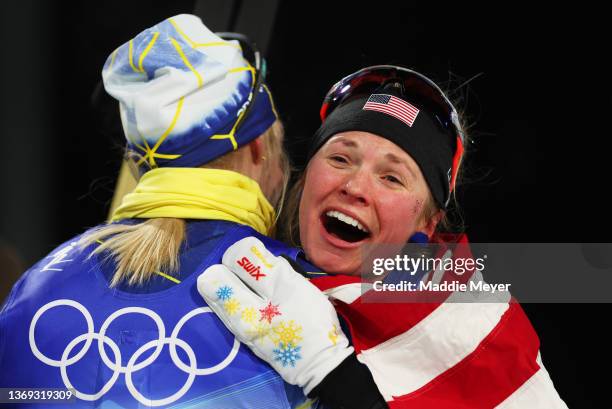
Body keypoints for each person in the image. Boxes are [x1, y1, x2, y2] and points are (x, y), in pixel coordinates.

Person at [0, 14, 368, 408]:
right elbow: (438, 279)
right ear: (261, 147)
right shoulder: (305, 288)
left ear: (139, 164)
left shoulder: (35, 287)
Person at [198, 66, 569, 408]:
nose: (354, 186)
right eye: (340, 159)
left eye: (391, 178)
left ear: (428, 223)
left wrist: (334, 375)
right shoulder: (245, 273)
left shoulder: (471, 326)